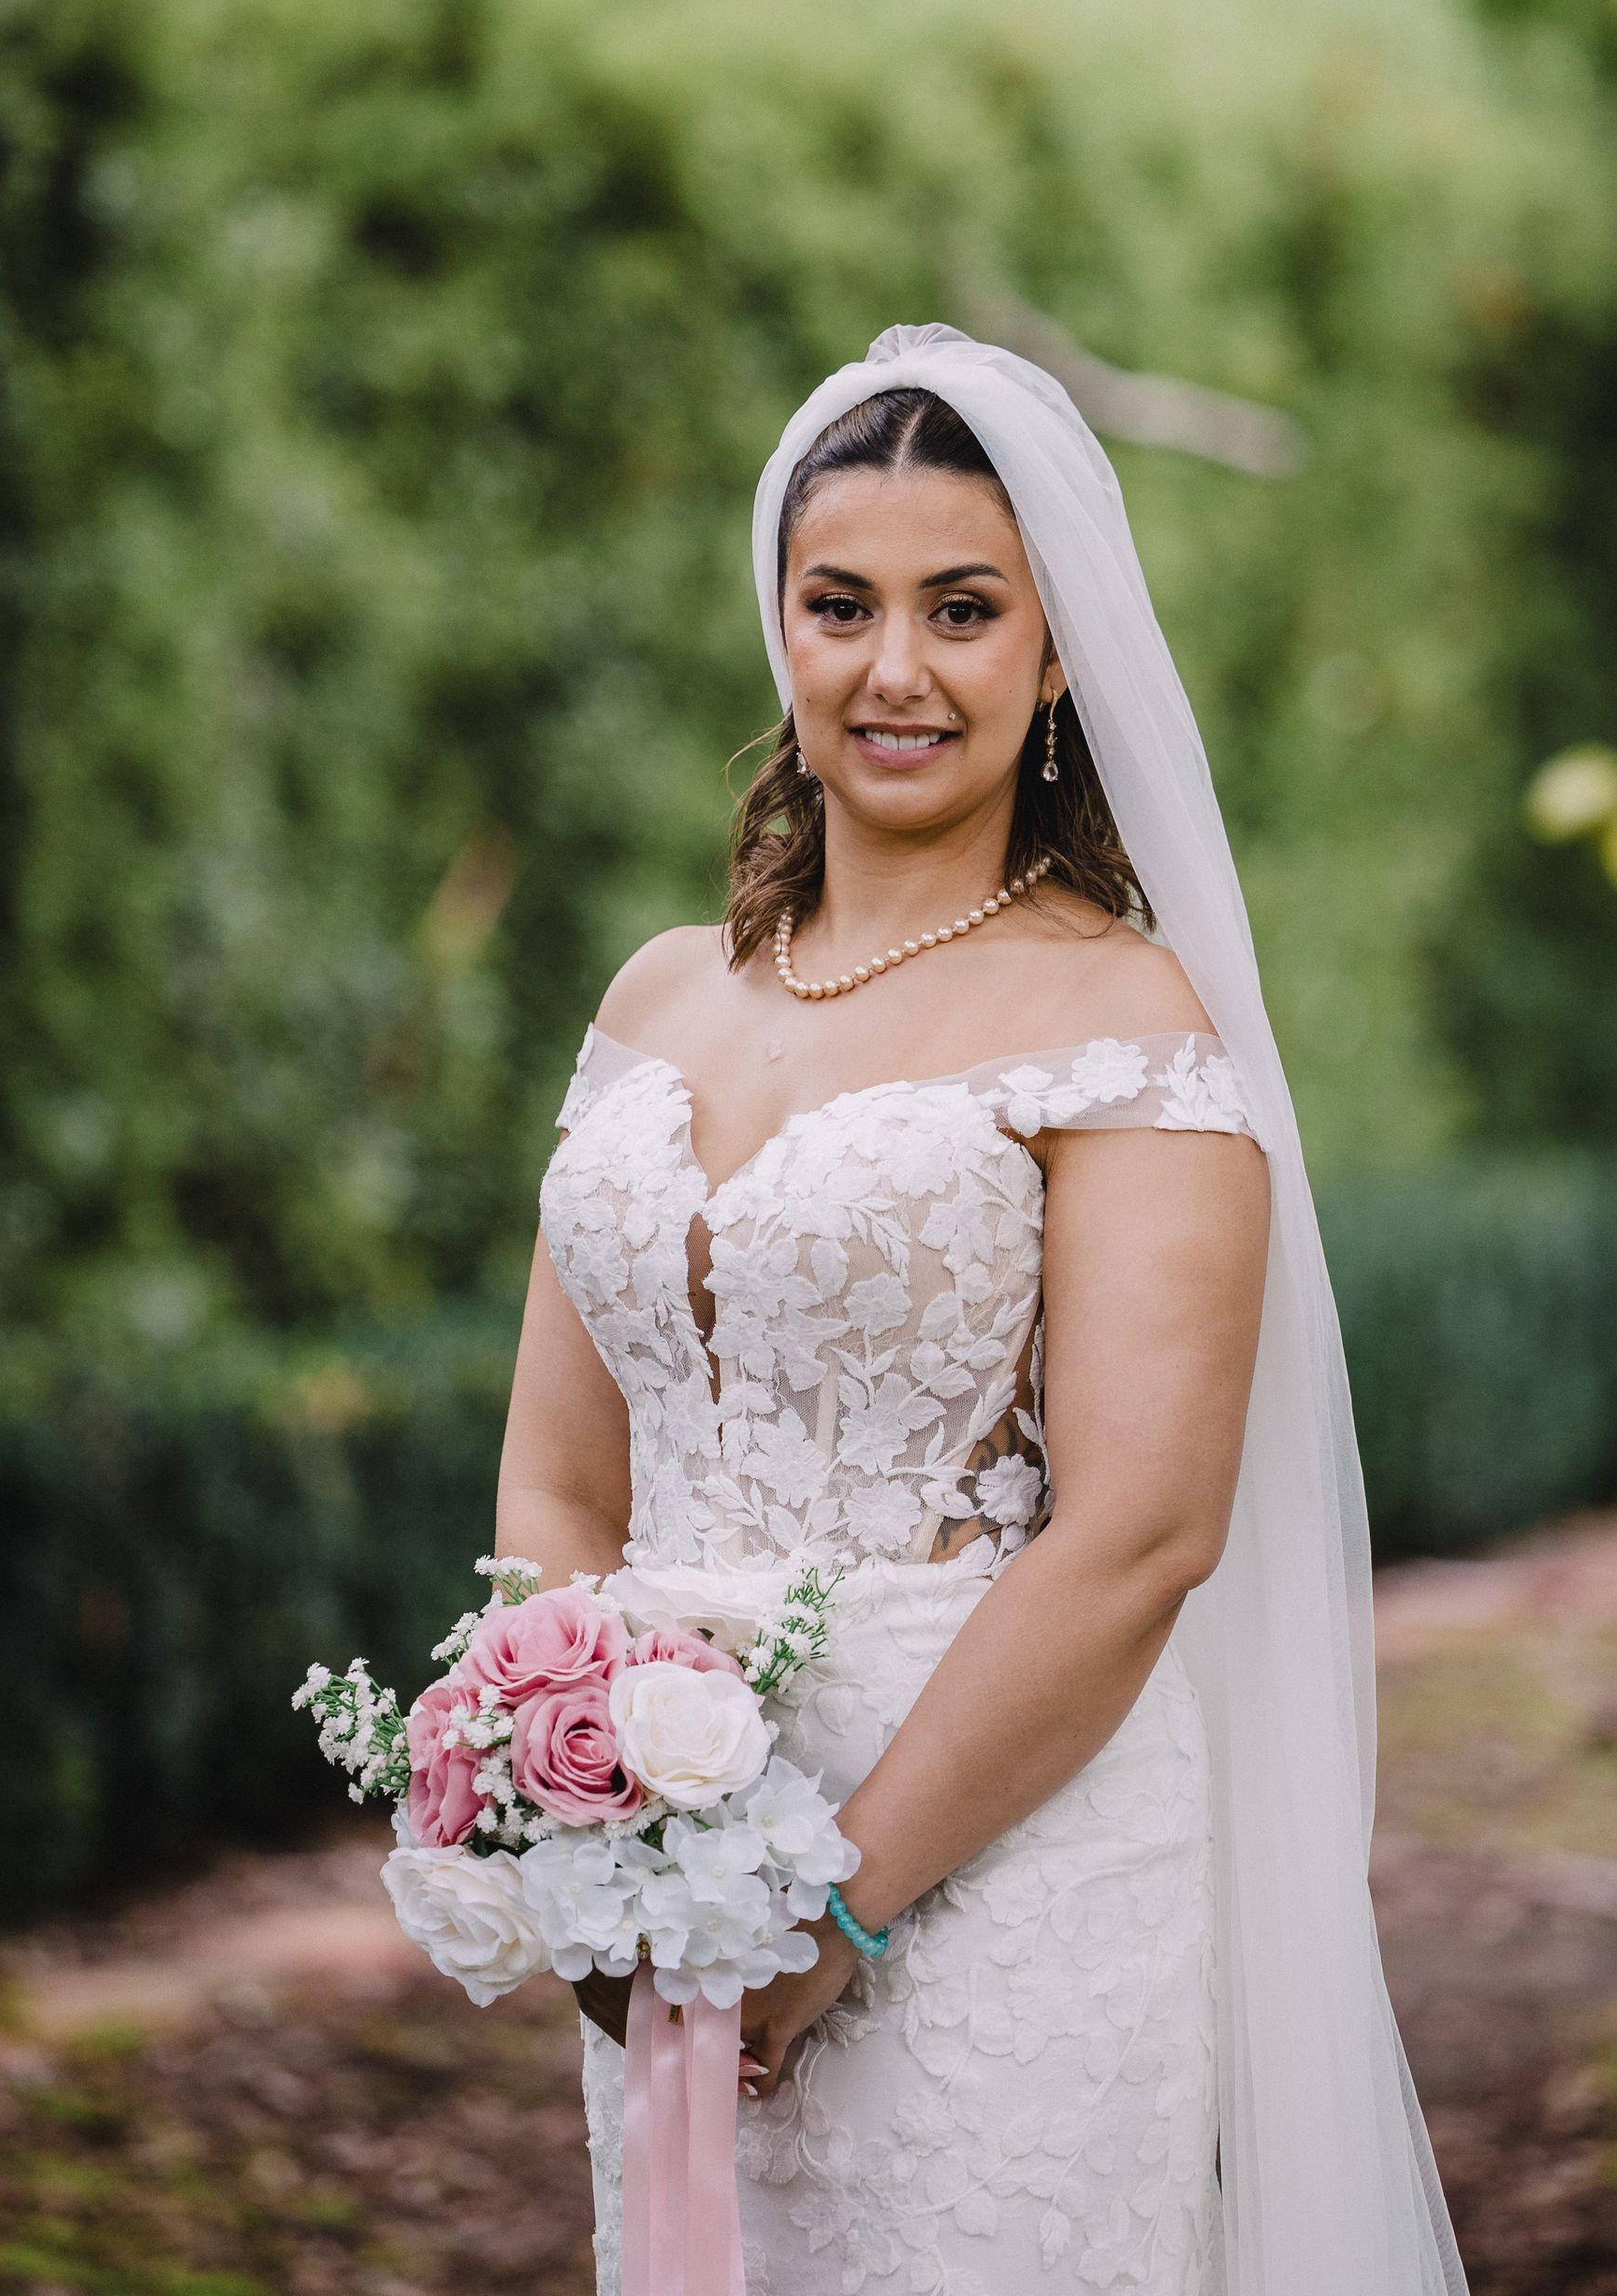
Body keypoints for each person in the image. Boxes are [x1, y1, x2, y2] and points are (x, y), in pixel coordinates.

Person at [496, 327, 1468, 2296]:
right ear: (778, 628)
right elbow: (553, 1480)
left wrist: (828, 1908)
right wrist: (585, 1823)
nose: (893, 670)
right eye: (839, 605)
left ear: (1056, 656)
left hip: (998, 1873)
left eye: (963, 610)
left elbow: (1140, 1535)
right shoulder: (657, 996)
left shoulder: (1121, 1020)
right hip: (674, 1891)